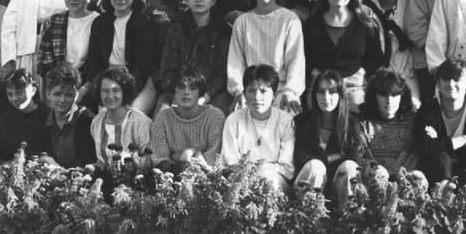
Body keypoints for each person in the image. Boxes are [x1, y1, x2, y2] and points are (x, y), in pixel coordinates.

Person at [303, 0, 385, 111]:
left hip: (354, 86)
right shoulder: (312, 24)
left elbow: (375, 60)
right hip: (321, 86)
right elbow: (306, 60)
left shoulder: (366, 24)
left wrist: (362, 75)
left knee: (357, 107)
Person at [227, 0, 305, 113]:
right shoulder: (243, 22)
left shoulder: (290, 20)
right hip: (251, 90)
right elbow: (235, 61)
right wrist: (239, 91)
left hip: (281, 90)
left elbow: (296, 61)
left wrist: (290, 92)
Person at [158, 0, 232, 115]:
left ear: (213, 1)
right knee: (162, 116)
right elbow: (167, 69)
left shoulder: (223, 31)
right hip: (179, 91)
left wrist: (206, 96)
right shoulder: (176, 29)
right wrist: (177, 94)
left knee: (215, 116)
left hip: (212, 93)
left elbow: (223, 73)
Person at [86, 0, 158, 114]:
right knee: (107, 116)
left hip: (137, 82)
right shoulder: (100, 23)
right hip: (107, 80)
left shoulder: (143, 22)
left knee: (128, 117)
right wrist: (102, 85)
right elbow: (94, 63)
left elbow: (143, 66)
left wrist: (125, 89)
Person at [414, 59, 466, 183]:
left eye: (457, 79)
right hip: (439, 171)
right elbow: (422, 146)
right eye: (446, 79)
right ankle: (441, 194)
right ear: (438, 84)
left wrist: (442, 143)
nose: (451, 84)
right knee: (441, 159)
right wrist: (461, 140)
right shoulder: (428, 108)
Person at [221, 64, 296, 193]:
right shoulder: (234, 120)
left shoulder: (285, 121)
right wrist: (250, 175)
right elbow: (229, 163)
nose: (257, 97)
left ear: (274, 94)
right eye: (251, 91)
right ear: (244, 94)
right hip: (241, 182)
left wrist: (262, 169)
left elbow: (288, 169)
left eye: (263, 91)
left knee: (268, 179)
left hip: (275, 182)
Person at [294, 70, 359, 209]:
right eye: (321, 92)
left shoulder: (351, 123)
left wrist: (322, 158)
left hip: (338, 182)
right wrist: (331, 158)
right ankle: (308, 215)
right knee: (315, 166)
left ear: (340, 95)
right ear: (315, 94)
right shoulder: (302, 121)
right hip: (309, 182)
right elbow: (301, 158)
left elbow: (354, 156)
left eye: (332, 92)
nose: (326, 97)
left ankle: (348, 215)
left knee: (350, 167)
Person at [350, 68, 425, 186]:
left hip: (405, 179)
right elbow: (358, 156)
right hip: (372, 181)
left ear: (402, 96)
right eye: (383, 95)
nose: (389, 101)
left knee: (418, 178)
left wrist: (400, 173)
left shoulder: (413, 121)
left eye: (394, 95)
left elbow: (416, 154)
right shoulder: (362, 122)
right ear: (374, 96)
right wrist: (377, 169)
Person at [363, 0, 420, 108]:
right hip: (377, 74)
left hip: (404, 73)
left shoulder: (408, 5)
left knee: (415, 106)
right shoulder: (365, 8)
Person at [37, 0, 100, 104]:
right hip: (59, 85)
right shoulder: (54, 21)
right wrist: (59, 85)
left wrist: (83, 89)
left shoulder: (98, 21)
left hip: (88, 86)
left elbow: (99, 63)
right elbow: (44, 61)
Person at [150, 67, 225, 171]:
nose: (186, 92)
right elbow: (159, 159)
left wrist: (176, 156)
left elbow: (213, 159)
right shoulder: (163, 118)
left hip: (207, 175)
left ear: (200, 93)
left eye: (192, 88)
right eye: (181, 87)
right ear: (174, 91)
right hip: (170, 175)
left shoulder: (214, 116)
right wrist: (183, 157)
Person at [0, 69, 47, 169]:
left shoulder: (45, 115)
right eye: (10, 94)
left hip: (39, 166)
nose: (14, 98)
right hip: (13, 165)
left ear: (33, 91)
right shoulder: (8, 115)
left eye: (19, 93)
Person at [90, 66, 152, 167]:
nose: (110, 96)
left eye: (115, 90)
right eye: (105, 91)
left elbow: (148, 161)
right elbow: (101, 161)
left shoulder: (141, 122)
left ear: (124, 91)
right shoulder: (96, 122)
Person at [39, 64, 96, 168]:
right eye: (57, 94)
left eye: (69, 95)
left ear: (76, 95)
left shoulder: (88, 121)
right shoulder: (41, 119)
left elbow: (90, 162)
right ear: (48, 93)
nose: (62, 100)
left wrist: (60, 170)